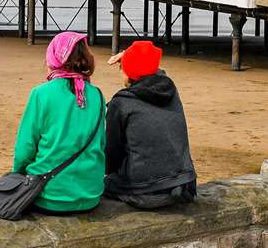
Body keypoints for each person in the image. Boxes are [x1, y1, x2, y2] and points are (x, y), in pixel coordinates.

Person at [11, 31, 106, 215]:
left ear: (54, 57)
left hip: (51, 196)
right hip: (91, 194)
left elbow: (25, 147)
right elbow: (101, 144)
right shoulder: (97, 95)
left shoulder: (41, 93)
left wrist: (17, 174)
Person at [103, 40, 197, 209]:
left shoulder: (121, 103)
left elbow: (112, 157)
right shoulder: (170, 89)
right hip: (183, 186)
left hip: (146, 192)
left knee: (103, 183)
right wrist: (131, 57)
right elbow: (156, 73)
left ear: (128, 72)